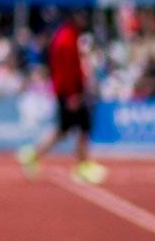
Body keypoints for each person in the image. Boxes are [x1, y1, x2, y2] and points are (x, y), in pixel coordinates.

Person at [20, 14, 106, 183]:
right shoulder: (66, 39)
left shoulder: (67, 36)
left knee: (65, 130)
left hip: (68, 91)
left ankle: (34, 154)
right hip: (70, 92)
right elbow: (67, 70)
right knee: (82, 127)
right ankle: (83, 166)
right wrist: (73, 94)